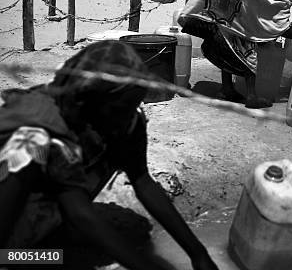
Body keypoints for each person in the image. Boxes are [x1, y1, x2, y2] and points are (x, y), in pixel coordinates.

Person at [0, 41, 219, 270]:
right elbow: (79, 213)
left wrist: (198, 254)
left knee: (121, 138)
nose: (126, 119)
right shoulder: (42, 130)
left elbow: (141, 180)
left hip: (53, 211)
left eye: (132, 106)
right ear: (91, 101)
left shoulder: (120, 117)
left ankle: (50, 233)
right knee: (56, 258)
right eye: (119, 111)